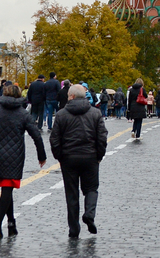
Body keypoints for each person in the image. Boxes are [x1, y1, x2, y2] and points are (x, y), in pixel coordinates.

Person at [0, 84, 47, 239]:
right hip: (15, 156)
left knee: (7, 189)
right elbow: (36, 136)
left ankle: (12, 222)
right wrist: (41, 155)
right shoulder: (23, 114)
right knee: (7, 190)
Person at [50, 84, 107, 238]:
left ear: (72, 97)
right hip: (90, 157)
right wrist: (99, 155)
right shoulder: (95, 113)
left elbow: (54, 139)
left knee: (71, 194)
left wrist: (59, 156)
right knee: (91, 189)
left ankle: (74, 229)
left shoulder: (62, 114)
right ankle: (89, 213)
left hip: (69, 158)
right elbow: (102, 137)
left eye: (68, 95)